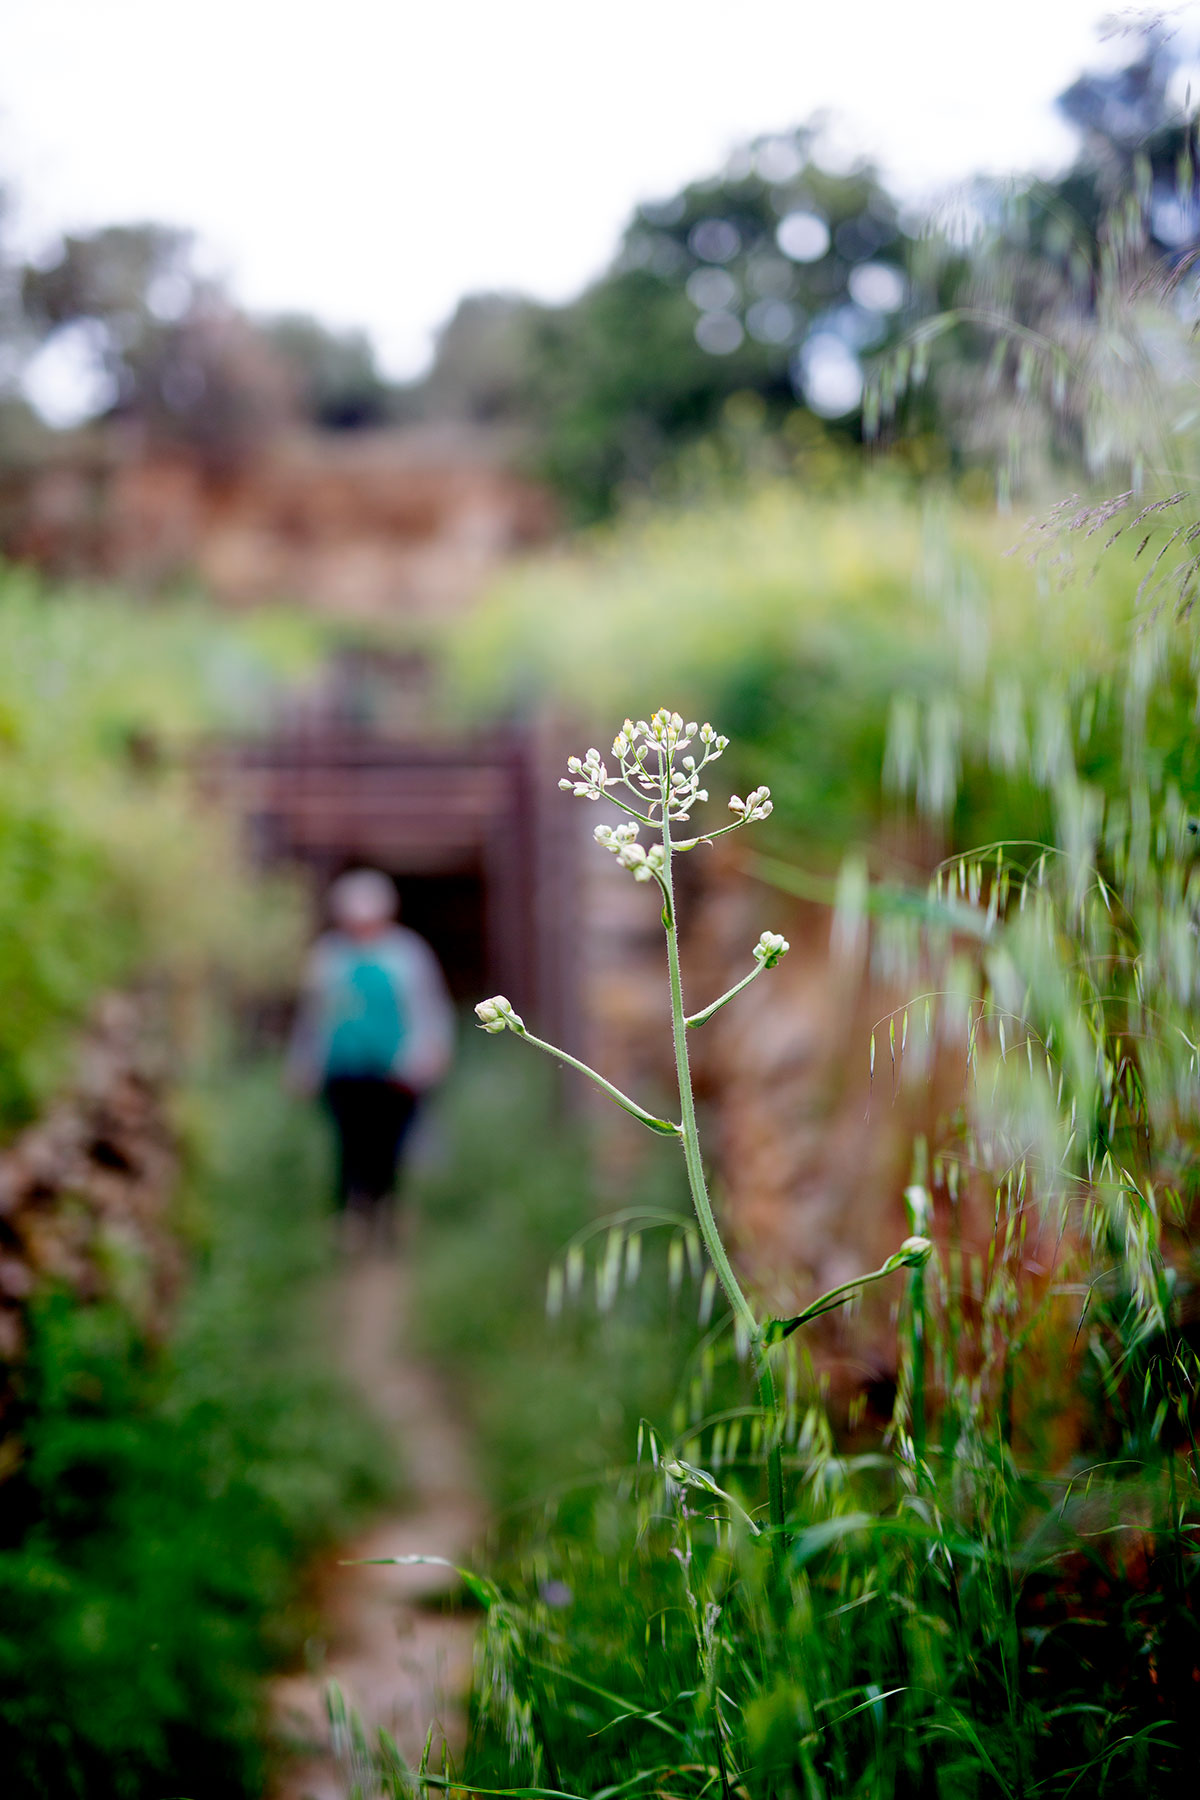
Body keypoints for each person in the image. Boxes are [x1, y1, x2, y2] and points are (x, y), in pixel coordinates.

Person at [287, 868, 453, 1236]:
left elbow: (429, 1008)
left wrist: (432, 1051)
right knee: (348, 1144)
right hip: (343, 1069)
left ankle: (387, 1210)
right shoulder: (328, 956)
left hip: (395, 1071)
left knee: (389, 1145)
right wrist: (303, 1064)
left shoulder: (408, 954)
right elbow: (313, 1017)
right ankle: (352, 1215)